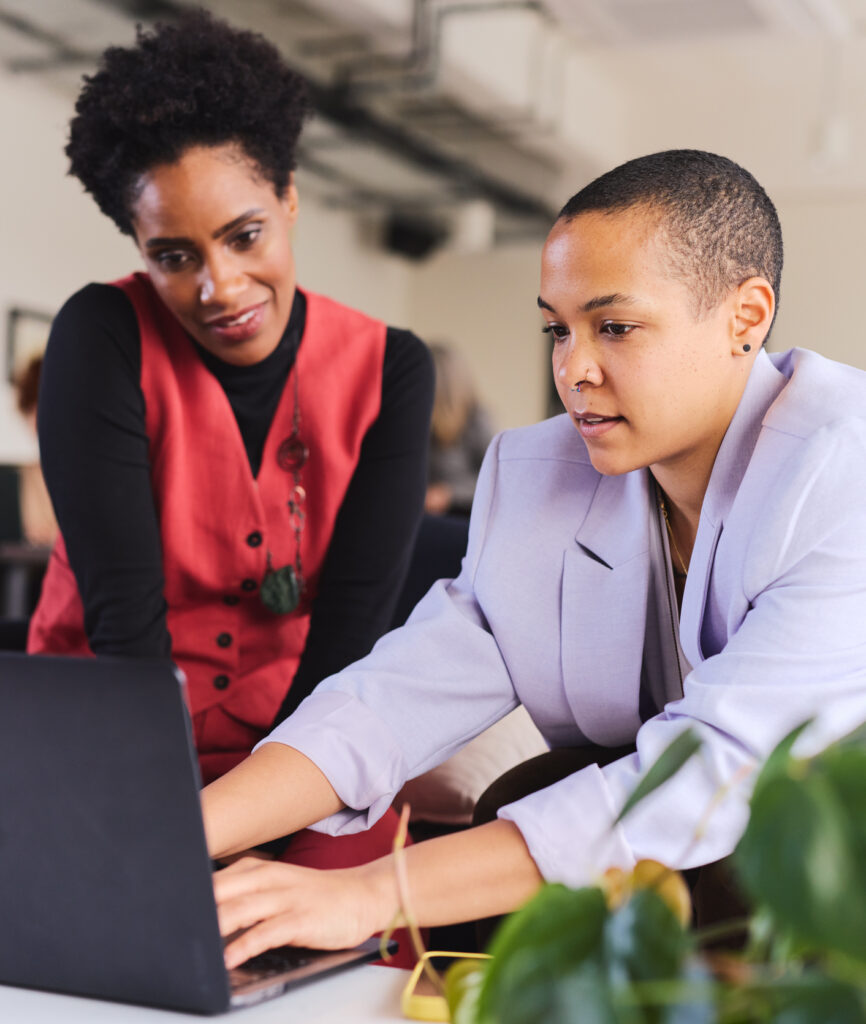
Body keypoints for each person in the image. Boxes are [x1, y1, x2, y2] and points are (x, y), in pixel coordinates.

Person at [203, 149, 866, 966]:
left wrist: (373, 892)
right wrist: (178, 836)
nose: (572, 370)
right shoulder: (536, 475)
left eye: (614, 327)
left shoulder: (843, 467)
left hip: (832, 877)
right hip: (697, 869)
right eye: (558, 328)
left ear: (746, 315)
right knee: (535, 791)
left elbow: (716, 771)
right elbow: (391, 700)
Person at [27, 10, 433, 936]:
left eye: (244, 235)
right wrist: (172, 839)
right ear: (139, 247)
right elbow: (125, 628)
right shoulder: (101, 338)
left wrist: (267, 829)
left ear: (290, 199)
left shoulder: (391, 371)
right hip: (110, 739)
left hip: (305, 746)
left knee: (329, 949)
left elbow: (349, 644)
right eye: (174, 256)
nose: (219, 285)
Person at [425, 343, 495, 517]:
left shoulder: (476, 420)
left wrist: (450, 494)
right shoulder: (420, 423)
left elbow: (494, 480)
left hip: (461, 516)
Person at [13, 355, 58, 548]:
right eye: (30, 414)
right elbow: (35, 533)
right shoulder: (32, 473)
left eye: (36, 412)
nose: (33, 426)